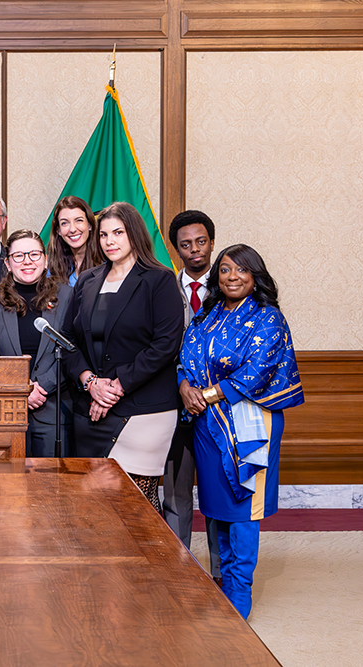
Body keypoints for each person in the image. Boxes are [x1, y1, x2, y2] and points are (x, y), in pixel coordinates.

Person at [179, 244, 304, 619]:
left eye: (242, 270)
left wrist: (206, 393)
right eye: (225, 270)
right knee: (217, 508)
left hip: (251, 422)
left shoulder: (269, 318)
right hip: (207, 423)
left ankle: (239, 594)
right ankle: (223, 582)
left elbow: (257, 371)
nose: (232, 277)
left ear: (256, 276)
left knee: (244, 509)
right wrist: (185, 386)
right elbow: (185, 357)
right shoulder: (208, 315)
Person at [62, 201, 184, 510]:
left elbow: (166, 344)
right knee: (94, 504)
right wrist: (91, 384)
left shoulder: (159, 279)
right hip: (90, 406)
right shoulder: (88, 281)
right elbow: (68, 341)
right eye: (103, 235)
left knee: (138, 504)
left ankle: (150, 560)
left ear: (135, 233)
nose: (110, 241)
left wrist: (115, 386)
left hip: (144, 410)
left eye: (118, 232)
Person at [163, 209, 222, 584]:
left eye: (201, 242)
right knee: (176, 494)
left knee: (218, 496)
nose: (195, 250)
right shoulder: (163, 287)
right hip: (175, 403)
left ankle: (220, 574)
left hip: (220, 409)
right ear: (176, 249)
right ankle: (179, 572)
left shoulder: (232, 285)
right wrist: (183, 387)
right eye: (186, 244)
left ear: (212, 243)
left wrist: (207, 393)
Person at [0, 229, 73, 456]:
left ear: (45, 260)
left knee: (52, 486)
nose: (27, 261)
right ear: (7, 263)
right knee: (9, 485)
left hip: (54, 410)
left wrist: (41, 386)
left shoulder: (67, 296)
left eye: (34, 254)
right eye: (19, 256)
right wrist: (21, 387)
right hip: (5, 409)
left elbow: (73, 348)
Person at [47, 195, 100, 287]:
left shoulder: (106, 262)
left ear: (89, 225)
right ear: (58, 230)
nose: (72, 229)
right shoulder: (51, 268)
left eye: (79, 220)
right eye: (64, 223)